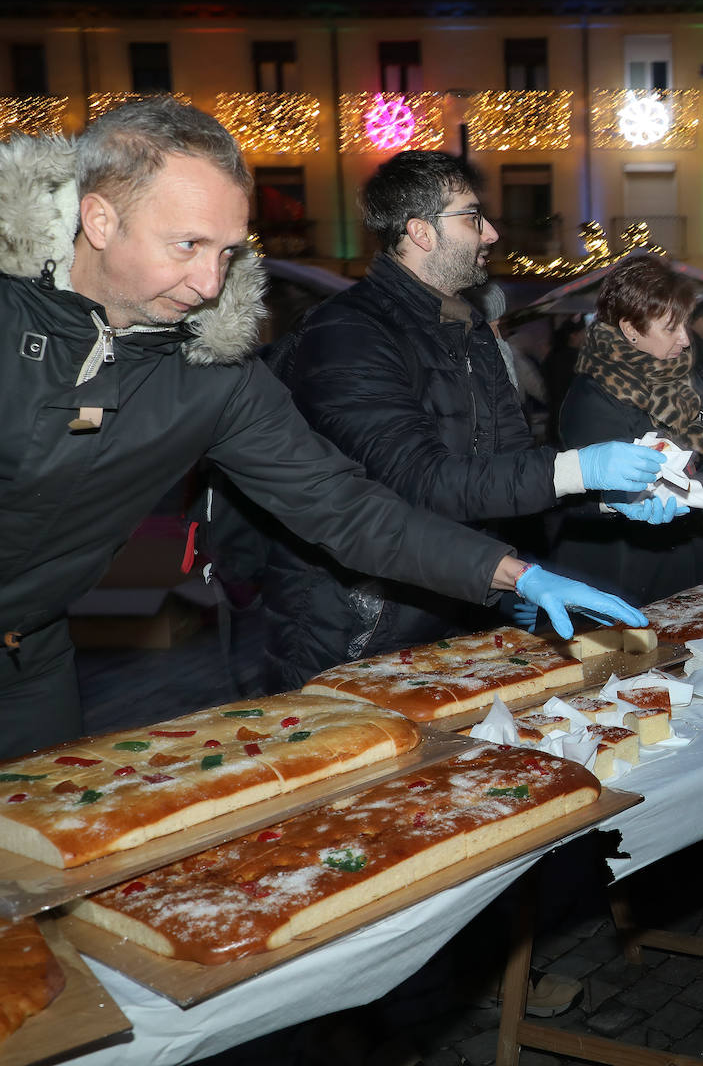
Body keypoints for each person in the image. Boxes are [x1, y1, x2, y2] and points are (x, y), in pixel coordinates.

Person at [0, 97, 645, 758]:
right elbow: (420, 475)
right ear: (99, 220)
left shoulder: (212, 374)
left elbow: (346, 508)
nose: (209, 281)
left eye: (226, 252)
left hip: (31, 654)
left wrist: (512, 573)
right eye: (187, 245)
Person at [252, 150, 676, 691]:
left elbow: (511, 467)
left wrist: (606, 500)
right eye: (472, 217)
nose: (492, 233)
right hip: (359, 623)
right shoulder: (348, 333)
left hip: (462, 600)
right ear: (420, 232)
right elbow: (418, 482)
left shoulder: (467, 327)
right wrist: (581, 471)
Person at [551, 254, 703, 604]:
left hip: (679, 553)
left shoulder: (676, 379)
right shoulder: (593, 399)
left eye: (685, 325)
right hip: (622, 575)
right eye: (671, 328)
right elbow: (631, 493)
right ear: (630, 330)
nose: (685, 340)